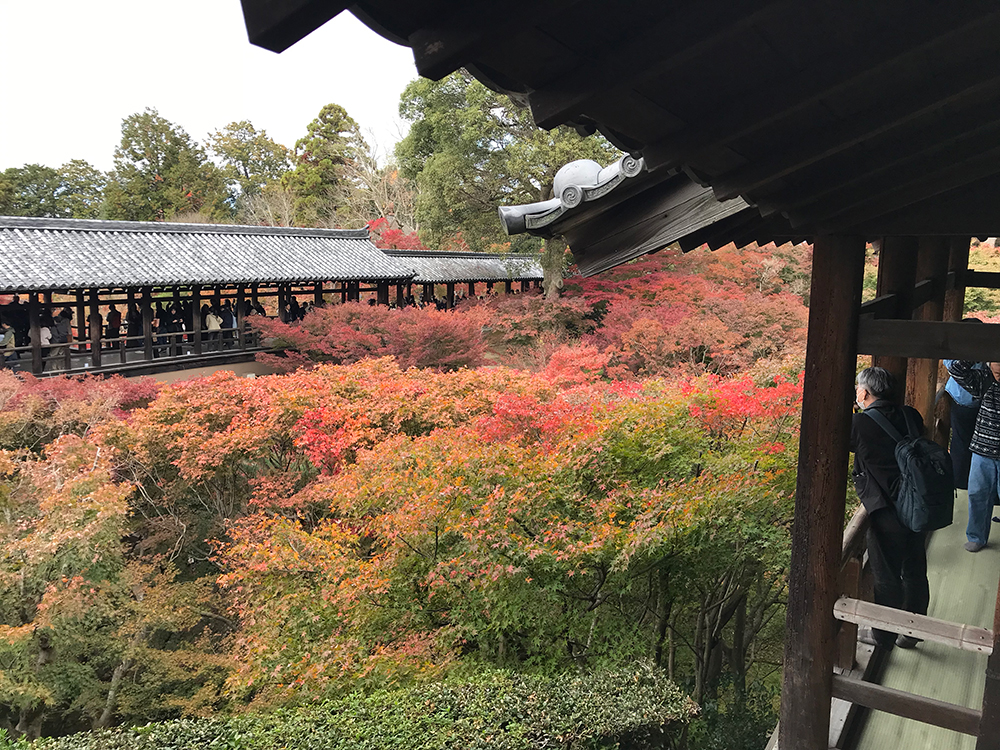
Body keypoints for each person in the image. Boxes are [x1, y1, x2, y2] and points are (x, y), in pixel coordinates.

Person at [850, 366, 929, 649]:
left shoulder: (859, 424)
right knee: (915, 570)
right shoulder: (911, 415)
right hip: (919, 504)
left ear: (864, 391)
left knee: (886, 577)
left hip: (886, 510)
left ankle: (883, 637)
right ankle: (914, 631)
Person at [944, 359, 1000, 552]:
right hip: (982, 450)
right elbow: (956, 369)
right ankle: (977, 536)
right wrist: (980, 354)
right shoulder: (983, 379)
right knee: (978, 493)